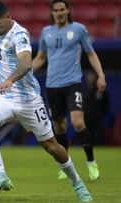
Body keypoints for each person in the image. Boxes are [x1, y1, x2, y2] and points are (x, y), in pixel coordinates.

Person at [0, 1, 92, 202]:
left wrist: (10, 79)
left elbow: (25, 62)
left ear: (8, 17)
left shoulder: (20, 34)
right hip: (4, 97)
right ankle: (1, 175)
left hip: (29, 101)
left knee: (51, 146)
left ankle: (78, 184)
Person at [32, 0, 106, 181]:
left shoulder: (79, 29)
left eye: (62, 10)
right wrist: (23, 74)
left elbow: (90, 53)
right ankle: (66, 165)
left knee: (78, 123)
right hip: (52, 85)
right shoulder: (46, 32)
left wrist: (101, 75)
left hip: (73, 83)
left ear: (67, 11)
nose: (59, 13)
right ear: (52, 12)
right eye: (56, 10)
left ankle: (91, 162)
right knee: (59, 127)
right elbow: (41, 57)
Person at [84, 71, 109, 145]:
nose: (90, 78)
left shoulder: (100, 89)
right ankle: (88, 147)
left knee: (98, 133)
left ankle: (100, 147)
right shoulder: (85, 90)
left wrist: (101, 113)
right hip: (87, 117)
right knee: (88, 133)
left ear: (95, 77)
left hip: (98, 117)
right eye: (88, 77)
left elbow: (106, 103)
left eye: (91, 76)